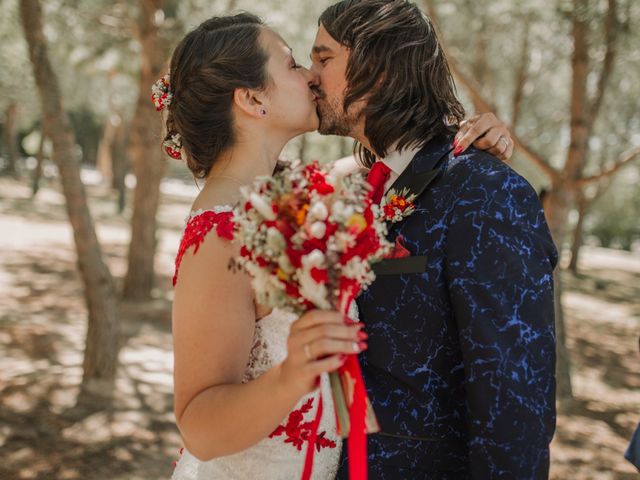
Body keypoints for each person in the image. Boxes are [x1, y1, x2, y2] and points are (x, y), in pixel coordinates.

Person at [166, 10, 514, 480]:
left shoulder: (295, 199)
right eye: (291, 65)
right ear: (251, 99)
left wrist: (464, 141)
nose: (311, 75)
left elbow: (394, 165)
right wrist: (291, 376)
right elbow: (199, 429)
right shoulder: (220, 236)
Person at [309, 1, 557, 479]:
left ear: (377, 68)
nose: (310, 76)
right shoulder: (360, 186)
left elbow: (513, 407)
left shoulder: (487, 194)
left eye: (324, 59)